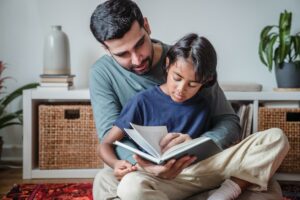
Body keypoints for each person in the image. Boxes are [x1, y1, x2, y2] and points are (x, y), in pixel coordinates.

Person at [89, 0, 289, 199]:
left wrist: (198, 143)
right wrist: (146, 165)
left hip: (204, 167)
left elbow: (228, 121)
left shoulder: (187, 59)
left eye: (139, 44)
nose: (136, 59)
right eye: (122, 54)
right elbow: (109, 138)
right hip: (146, 175)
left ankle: (224, 191)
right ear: (106, 49)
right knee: (107, 182)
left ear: (147, 26)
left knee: (272, 163)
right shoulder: (102, 74)